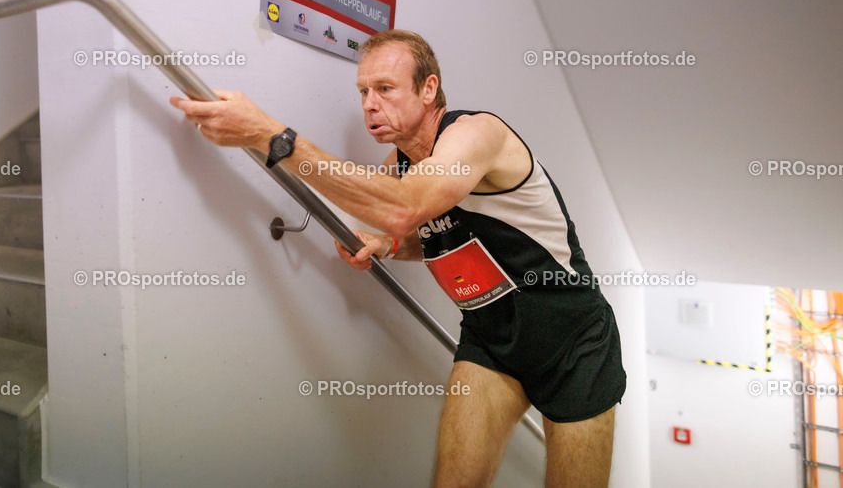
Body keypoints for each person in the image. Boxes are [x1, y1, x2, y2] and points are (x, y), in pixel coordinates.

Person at [170, 29, 625, 487]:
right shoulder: (399, 165)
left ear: (429, 89)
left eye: (385, 89)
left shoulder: (476, 135)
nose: (369, 104)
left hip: (573, 340)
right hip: (492, 339)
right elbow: (423, 228)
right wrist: (388, 245)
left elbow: (403, 207)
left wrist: (269, 136)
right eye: (363, 92)